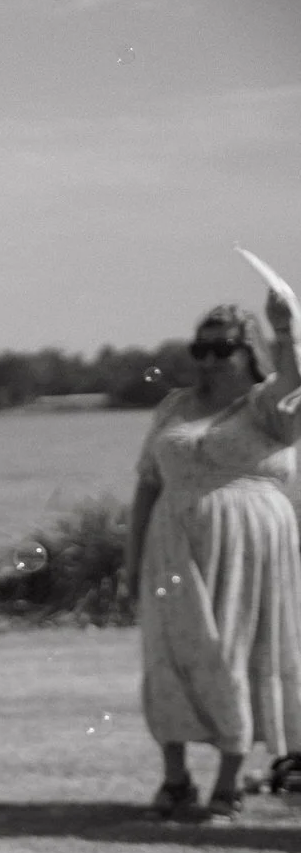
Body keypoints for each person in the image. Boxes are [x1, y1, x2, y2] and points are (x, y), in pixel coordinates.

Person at [128, 292, 301, 821]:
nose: (206, 358)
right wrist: (131, 560)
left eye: (221, 347)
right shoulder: (174, 406)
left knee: (233, 653)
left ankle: (229, 780)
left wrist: (285, 329)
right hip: (172, 542)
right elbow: (147, 483)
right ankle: (175, 777)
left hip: (248, 547)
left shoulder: (268, 405)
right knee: (168, 656)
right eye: (199, 347)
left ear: (249, 351)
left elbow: (295, 380)